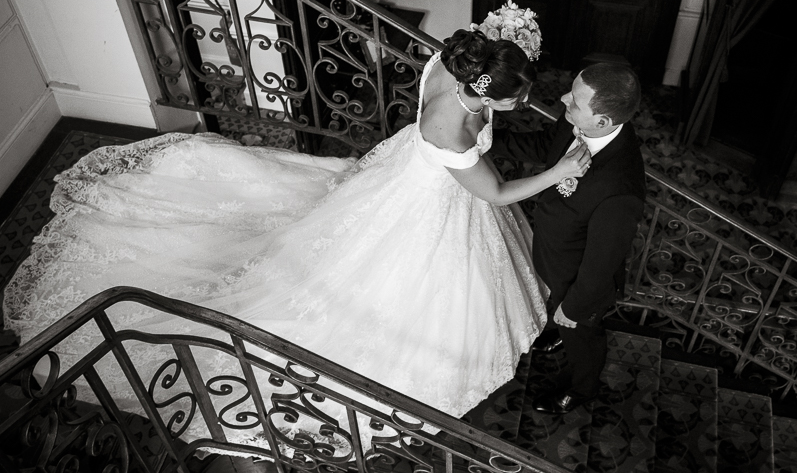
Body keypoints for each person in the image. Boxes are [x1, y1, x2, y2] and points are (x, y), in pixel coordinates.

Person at [2, 26, 592, 447]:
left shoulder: (453, 61)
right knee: (401, 281)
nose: (526, 105)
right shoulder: (454, 130)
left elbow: (474, 65)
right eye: (517, 98)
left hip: (405, 174)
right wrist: (559, 173)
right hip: (435, 200)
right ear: (486, 94)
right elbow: (492, 194)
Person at [491, 61, 646, 414]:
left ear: (603, 122)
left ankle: (582, 388)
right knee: (551, 311)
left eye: (574, 100)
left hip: (578, 284)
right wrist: (485, 142)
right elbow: (547, 145)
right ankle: (555, 332)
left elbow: (600, 262)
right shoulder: (581, 119)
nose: (563, 99)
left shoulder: (620, 190)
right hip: (550, 252)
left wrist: (574, 309)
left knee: (582, 339)